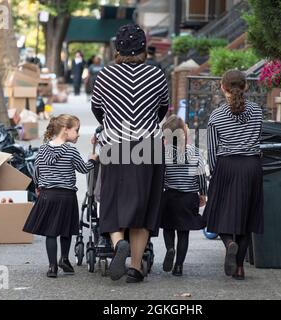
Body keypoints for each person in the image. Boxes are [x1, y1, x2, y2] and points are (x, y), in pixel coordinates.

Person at [91, 24, 169, 283]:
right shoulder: (157, 75)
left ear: (117, 48)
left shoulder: (104, 76)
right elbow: (162, 110)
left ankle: (117, 245)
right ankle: (136, 267)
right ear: (143, 48)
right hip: (148, 146)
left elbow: (97, 110)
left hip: (115, 145)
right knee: (144, 206)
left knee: (112, 199)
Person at [203, 69, 264, 280]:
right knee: (247, 217)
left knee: (217, 212)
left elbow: (212, 150)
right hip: (251, 166)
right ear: (246, 87)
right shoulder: (257, 111)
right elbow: (258, 138)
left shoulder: (216, 116)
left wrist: (214, 173)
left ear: (223, 88)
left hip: (226, 166)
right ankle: (239, 268)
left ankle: (229, 243)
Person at [23, 114, 98, 278]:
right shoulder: (71, 149)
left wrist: (37, 186)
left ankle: (52, 267)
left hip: (47, 195)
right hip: (66, 195)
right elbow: (84, 169)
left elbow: (37, 171)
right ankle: (64, 258)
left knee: (51, 232)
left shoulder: (43, 149)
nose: (78, 134)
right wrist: (93, 160)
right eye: (76, 130)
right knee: (65, 229)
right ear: (65, 130)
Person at [160, 115, 207, 277]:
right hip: (188, 198)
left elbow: (161, 175)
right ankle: (179, 266)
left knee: (168, 227)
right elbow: (201, 175)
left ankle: (170, 248)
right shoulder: (194, 151)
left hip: (170, 197)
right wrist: (203, 194)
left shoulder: (165, 153)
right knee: (183, 232)